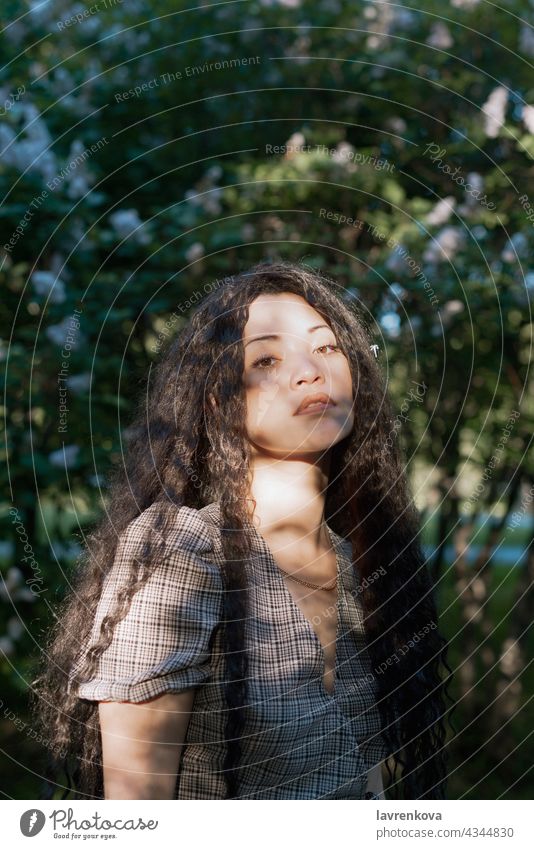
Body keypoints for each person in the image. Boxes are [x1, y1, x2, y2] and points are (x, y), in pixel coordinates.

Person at [31, 260, 452, 800]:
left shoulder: (358, 562)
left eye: (326, 347)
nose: (310, 371)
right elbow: (136, 809)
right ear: (217, 400)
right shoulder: (185, 550)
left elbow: (361, 778)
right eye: (267, 358)